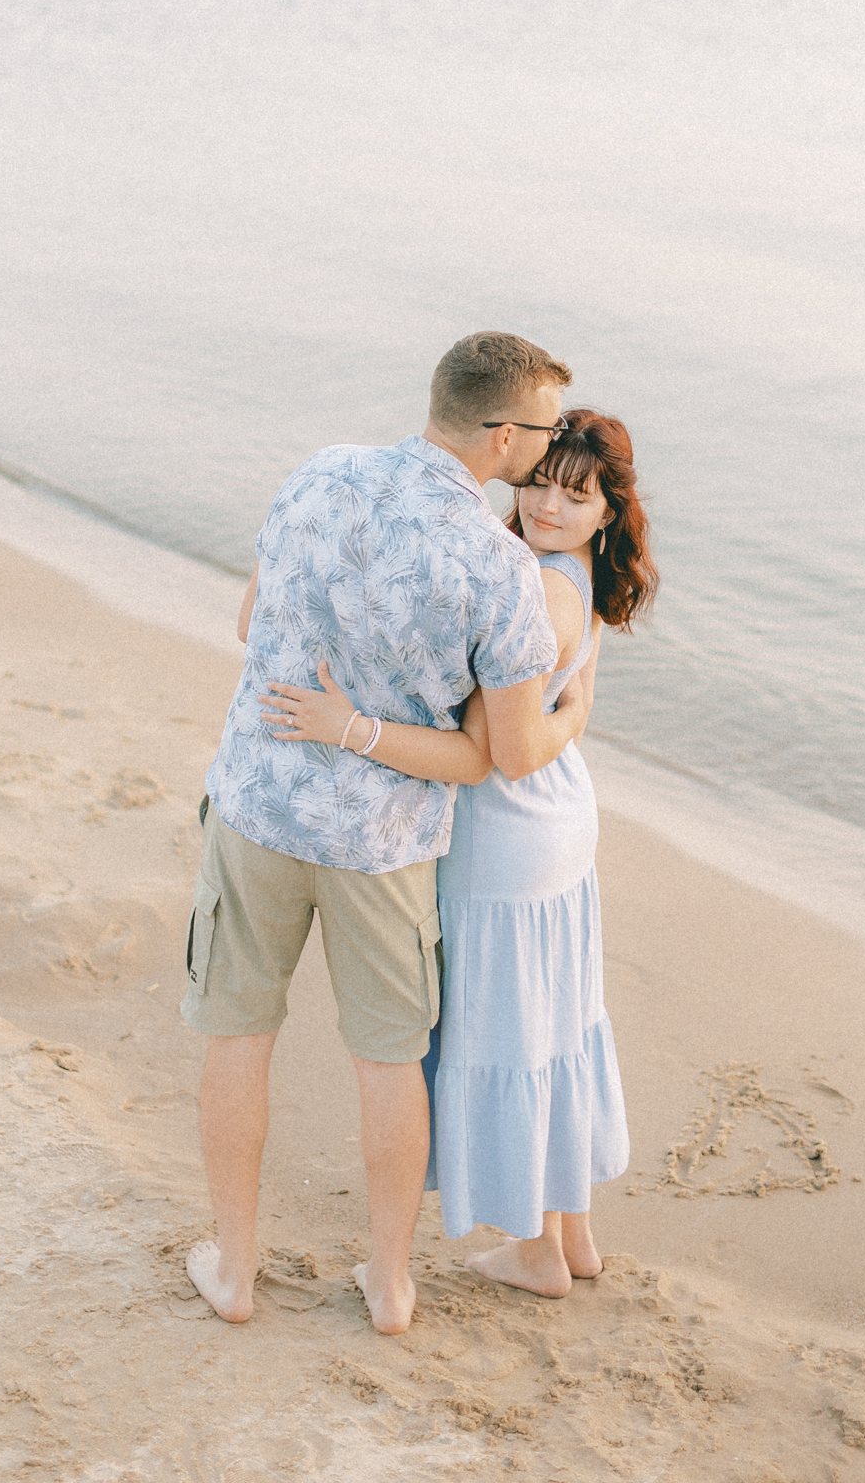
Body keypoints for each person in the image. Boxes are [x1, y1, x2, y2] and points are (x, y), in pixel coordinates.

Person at [181, 332, 584, 1336]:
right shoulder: (500, 567)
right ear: (501, 436)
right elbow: (498, 754)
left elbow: (249, 622)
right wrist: (576, 711)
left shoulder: (318, 473)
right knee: (388, 1062)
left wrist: (331, 693)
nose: (545, 450)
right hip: (384, 845)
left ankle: (233, 1266)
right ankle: (391, 1282)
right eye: (541, 433)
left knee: (237, 1035)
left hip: (259, 805)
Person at [263, 409, 657, 1297]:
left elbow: (499, 752)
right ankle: (575, 1232)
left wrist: (351, 726)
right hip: (559, 822)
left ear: (607, 507)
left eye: (575, 493)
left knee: (509, 1035)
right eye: (537, 482)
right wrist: (575, 713)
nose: (548, 506)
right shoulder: (578, 576)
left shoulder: (536, 586)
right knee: (558, 1021)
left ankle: (535, 1251)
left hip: (503, 834)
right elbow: (560, 705)